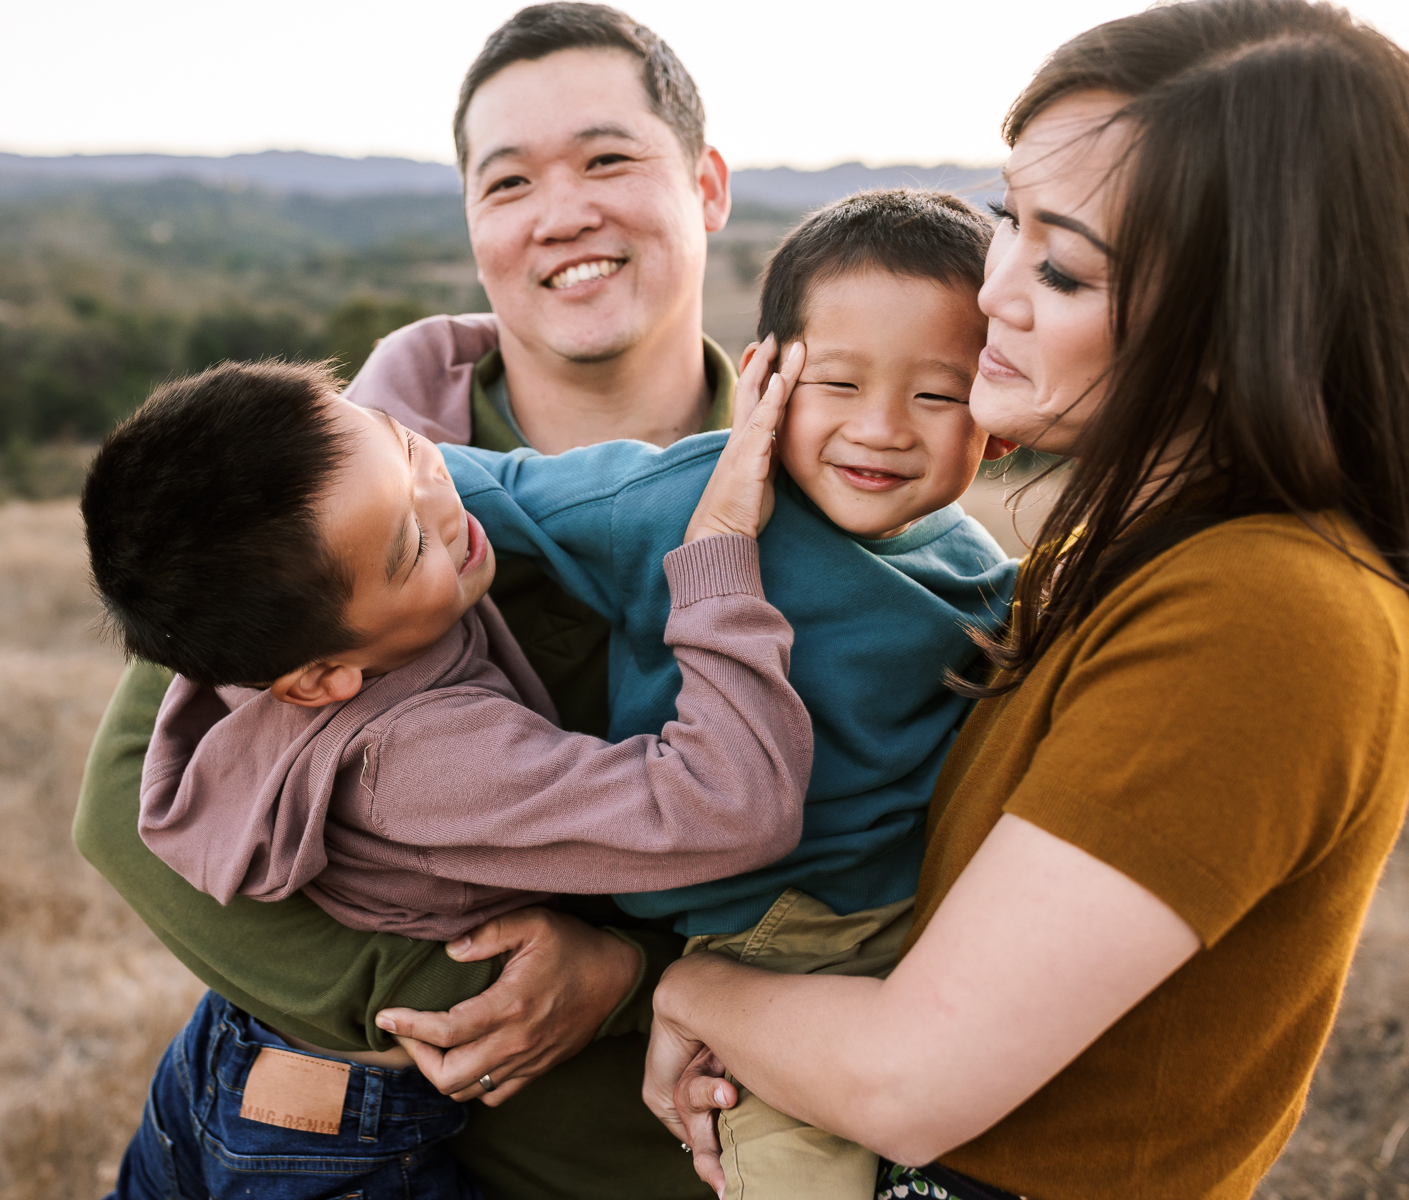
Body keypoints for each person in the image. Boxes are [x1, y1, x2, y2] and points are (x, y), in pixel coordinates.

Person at [642, 4, 1409, 1200]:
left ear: (1231, 325)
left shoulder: (1270, 611)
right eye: (1009, 219)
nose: (991, 289)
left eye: (1060, 266)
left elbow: (914, 1078)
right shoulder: (1115, 554)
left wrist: (690, 992)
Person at [74, 7, 742, 1198]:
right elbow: (132, 810)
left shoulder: (812, 501)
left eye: (606, 159)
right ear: (475, 226)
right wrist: (452, 999)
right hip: (370, 1148)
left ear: (704, 185)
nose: (561, 212)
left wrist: (621, 973)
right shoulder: (336, 492)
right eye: (508, 182)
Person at [80, 354, 812, 1198]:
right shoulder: (423, 756)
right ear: (319, 682)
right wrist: (717, 558)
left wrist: (442, 363)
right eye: (409, 547)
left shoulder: (261, 592)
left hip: (222, 1056)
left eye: (409, 449)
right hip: (338, 1136)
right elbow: (732, 806)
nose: (446, 503)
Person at [421, 188, 1017, 1200]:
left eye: (936, 396)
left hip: (935, 941)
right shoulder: (666, 501)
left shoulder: (983, 575)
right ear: (759, 381)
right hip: (766, 950)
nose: (880, 429)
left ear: (996, 424)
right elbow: (466, 483)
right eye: (835, 382)